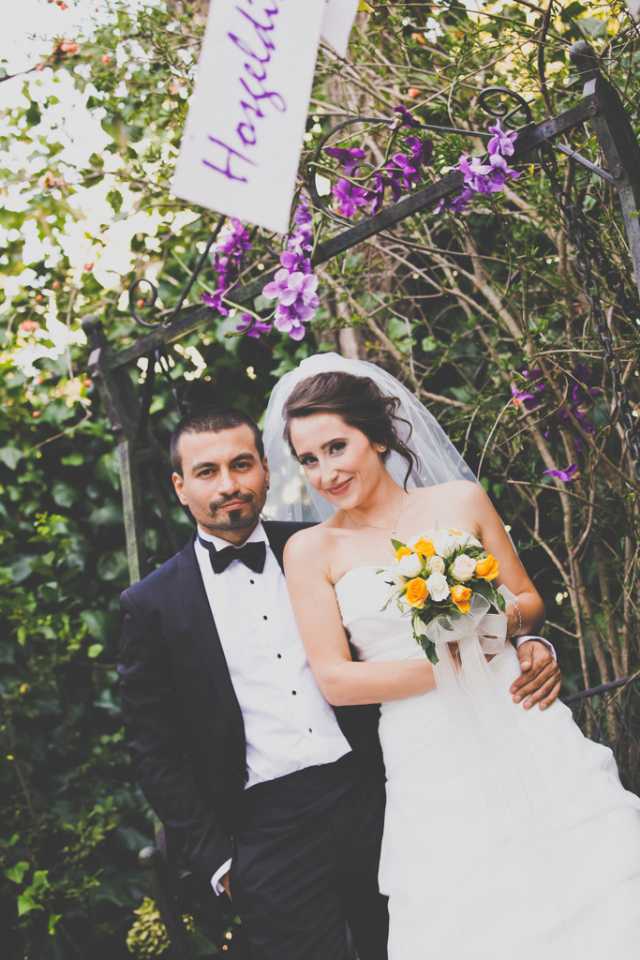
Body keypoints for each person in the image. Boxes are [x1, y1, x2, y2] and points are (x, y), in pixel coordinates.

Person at [118, 396, 559, 960]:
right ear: (181, 487)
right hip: (264, 830)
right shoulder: (151, 604)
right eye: (207, 472)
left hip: (377, 792)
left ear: (266, 469)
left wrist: (525, 643)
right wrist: (219, 862)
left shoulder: (319, 545)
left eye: (241, 464)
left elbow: (423, 621)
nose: (228, 484)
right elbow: (154, 747)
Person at [264, 352, 640, 960]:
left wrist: (500, 629)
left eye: (336, 447)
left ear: (377, 437)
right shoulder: (311, 551)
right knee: (470, 907)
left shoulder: (461, 501)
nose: (325, 472)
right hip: (425, 749)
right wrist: (448, 663)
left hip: (518, 712)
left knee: (589, 872)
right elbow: (336, 679)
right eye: (309, 459)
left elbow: (527, 602)